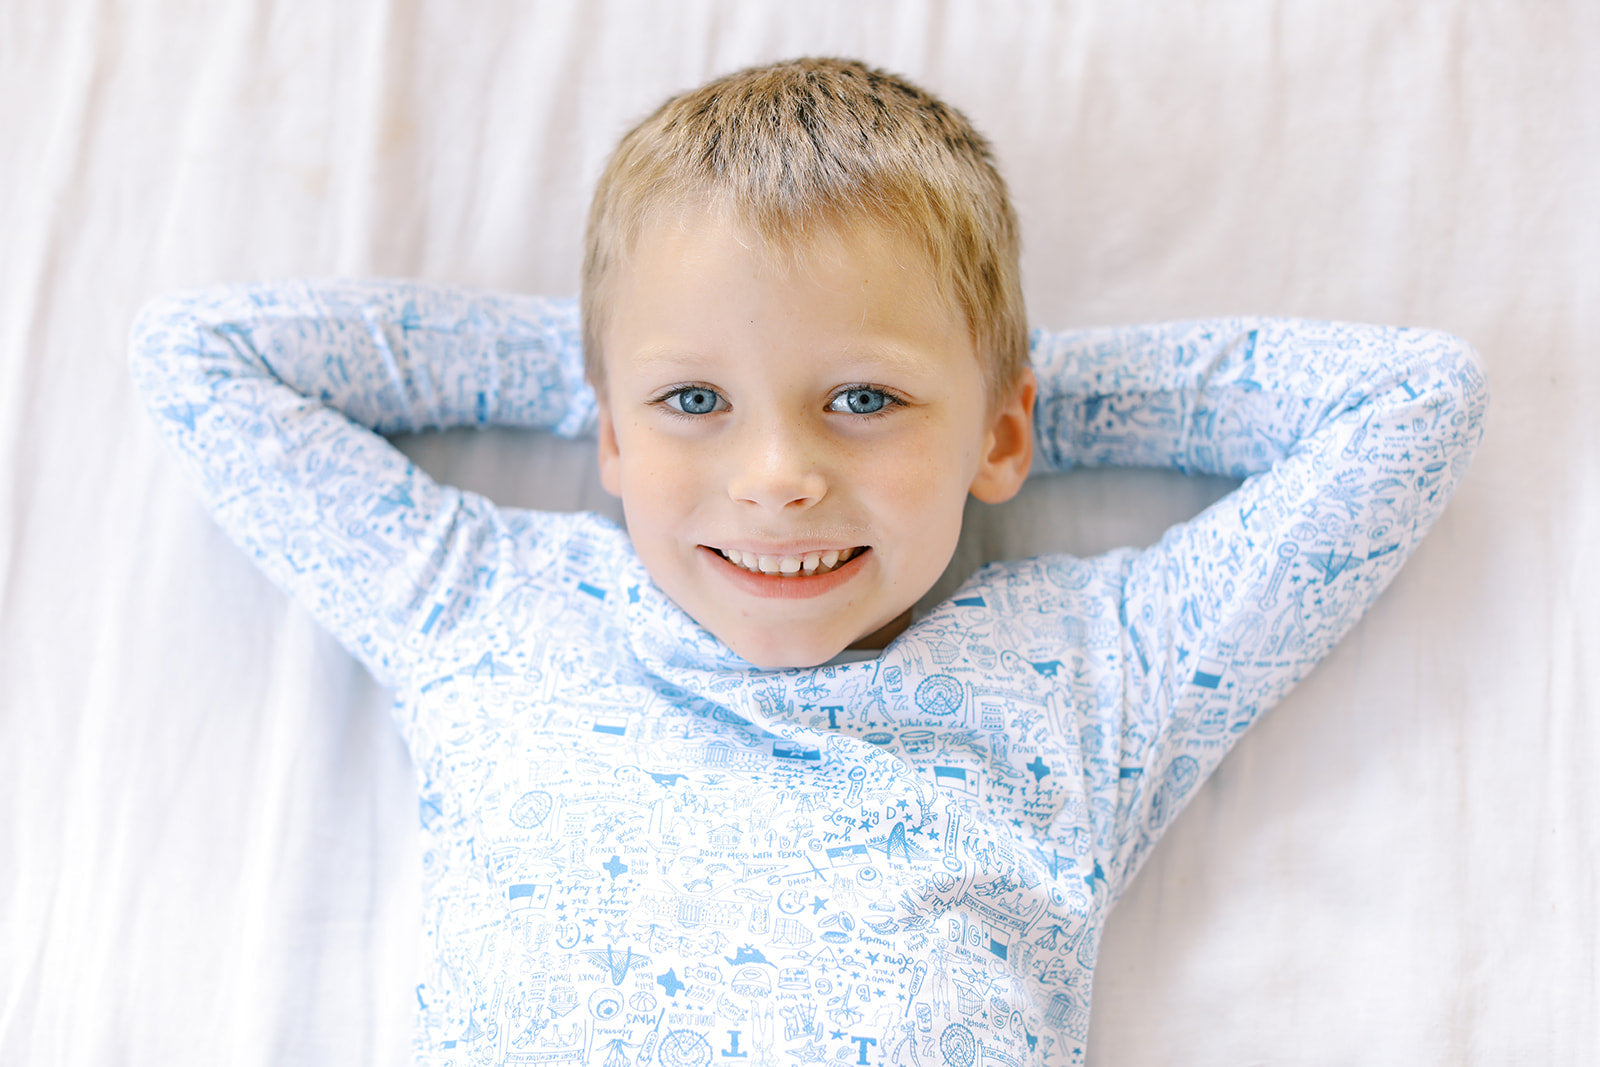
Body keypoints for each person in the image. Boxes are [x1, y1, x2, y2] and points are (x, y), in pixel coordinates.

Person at [130, 57, 1487, 1067]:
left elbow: (1410, 406)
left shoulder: (1089, 678)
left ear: (1005, 426)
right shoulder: (491, 610)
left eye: (860, 400)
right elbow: (202, 359)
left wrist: (985, 402)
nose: (776, 476)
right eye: (699, 406)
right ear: (606, 425)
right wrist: (629, 357)